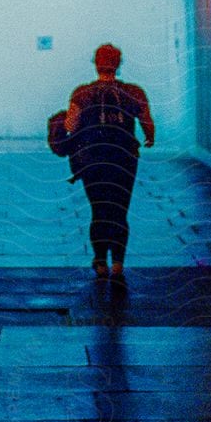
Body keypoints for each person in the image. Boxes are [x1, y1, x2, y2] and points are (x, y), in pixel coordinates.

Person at [65, 43, 155, 282]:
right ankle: (118, 263)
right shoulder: (134, 93)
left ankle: (100, 262)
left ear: (96, 63)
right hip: (124, 160)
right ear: (119, 63)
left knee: (98, 210)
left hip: (93, 160)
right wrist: (149, 138)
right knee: (119, 210)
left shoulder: (82, 94)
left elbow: (70, 126)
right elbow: (147, 123)